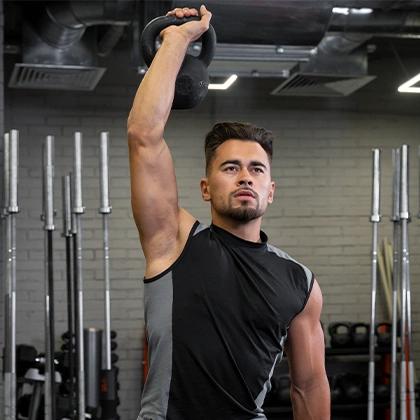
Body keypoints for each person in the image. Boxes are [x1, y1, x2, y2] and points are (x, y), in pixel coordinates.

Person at [127, 5, 330, 420]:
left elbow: (309, 386)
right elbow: (144, 136)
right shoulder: (173, 241)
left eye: (257, 169)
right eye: (231, 168)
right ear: (206, 188)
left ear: (270, 190)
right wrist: (176, 42)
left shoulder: (300, 281)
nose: (245, 177)